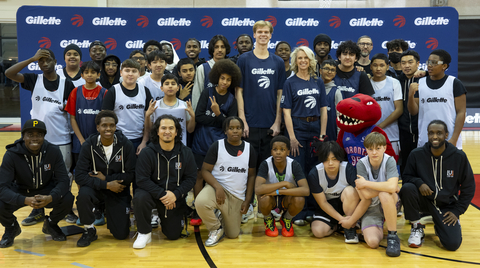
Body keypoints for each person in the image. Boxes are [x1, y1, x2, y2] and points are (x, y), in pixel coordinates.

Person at [5, 48, 75, 226]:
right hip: (36, 141)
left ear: (55, 62)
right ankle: (37, 210)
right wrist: (31, 58)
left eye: (47, 60)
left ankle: (63, 208)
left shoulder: (67, 84)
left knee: (63, 176)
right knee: (36, 175)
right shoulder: (33, 79)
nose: (44, 63)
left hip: (61, 138)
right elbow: (9, 73)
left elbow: (72, 113)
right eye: (41, 61)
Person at [400, 120, 475, 251]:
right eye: (431, 133)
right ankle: (416, 227)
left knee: (452, 245)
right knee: (407, 188)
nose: (435, 137)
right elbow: (406, 177)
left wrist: (457, 211)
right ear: (427, 135)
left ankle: (440, 225)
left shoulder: (458, 156)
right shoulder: (416, 154)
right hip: (424, 200)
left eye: (439, 133)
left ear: (446, 135)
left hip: (447, 205)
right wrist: (419, 183)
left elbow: (469, 186)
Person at [0, 119, 75, 248]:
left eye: (39, 135)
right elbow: (2, 187)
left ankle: (51, 224)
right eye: (30, 135)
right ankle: (11, 227)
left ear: (44, 137)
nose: (35, 138)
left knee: (68, 198)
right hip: (22, 190)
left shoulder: (53, 151)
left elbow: (63, 180)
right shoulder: (12, 154)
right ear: (23, 136)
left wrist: (51, 197)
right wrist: (24, 200)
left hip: (46, 189)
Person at [133, 115, 196, 249]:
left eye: (171, 128)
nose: (167, 131)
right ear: (157, 131)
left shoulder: (186, 153)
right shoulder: (147, 152)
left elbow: (191, 179)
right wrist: (163, 194)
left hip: (174, 198)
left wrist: (175, 194)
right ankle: (144, 232)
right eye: (163, 128)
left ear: (176, 132)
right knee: (140, 196)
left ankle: (166, 220)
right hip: (153, 194)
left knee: (173, 235)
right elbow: (142, 179)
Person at [74, 111, 135, 247]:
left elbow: (132, 174)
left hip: (118, 190)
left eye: (111, 125)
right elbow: (79, 176)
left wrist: (107, 178)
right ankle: (89, 229)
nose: (108, 129)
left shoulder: (126, 145)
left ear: (115, 127)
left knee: (121, 235)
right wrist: (106, 184)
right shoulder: (89, 145)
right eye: (104, 125)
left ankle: (111, 212)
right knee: (83, 195)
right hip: (98, 189)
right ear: (98, 127)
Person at [191, 59, 240, 225]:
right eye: (222, 78)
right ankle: (198, 211)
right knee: (198, 176)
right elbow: (198, 117)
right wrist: (219, 120)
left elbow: (230, 125)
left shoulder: (232, 99)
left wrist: (218, 114)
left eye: (228, 79)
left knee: (217, 177)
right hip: (201, 140)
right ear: (216, 78)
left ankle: (218, 210)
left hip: (219, 144)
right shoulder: (207, 92)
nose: (224, 82)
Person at [195, 116, 257, 247]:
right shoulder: (217, 146)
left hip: (237, 196)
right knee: (200, 202)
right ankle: (215, 228)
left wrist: (247, 200)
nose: (235, 131)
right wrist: (217, 187)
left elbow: (251, 176)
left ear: (242, 130)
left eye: (238, 128)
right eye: (231, 128)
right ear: (225, 131)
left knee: (233, 234)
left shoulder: (249, 149)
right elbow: (205, 170)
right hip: (217, 190)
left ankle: (220, 214)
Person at [236, 20, 286, 167]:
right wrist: (242, 120)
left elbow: (280, 94)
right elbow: (239, 91)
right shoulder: (244, 59)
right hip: (249, 124)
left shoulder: (278, 62)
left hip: (270, 124)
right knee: (248, 167)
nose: (263, 35)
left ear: (271, 35)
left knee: (267, 168)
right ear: (254, 35)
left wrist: (277, 122)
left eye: (266, 32)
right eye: (260, 32)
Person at [308, 141, 366, 243]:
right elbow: (323, 203)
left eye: (334, 159)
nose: (330, 163)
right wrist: (342, 219)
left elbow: (361, 195)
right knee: (318, 232)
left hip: (347, 205)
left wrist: (352, 219)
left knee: (350, 191)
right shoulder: (314, 173)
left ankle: (350, 228)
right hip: (328, 206)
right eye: (326, 160)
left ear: (339, 158)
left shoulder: (347, 168)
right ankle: (340, 225)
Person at [407, 49, 466, 149]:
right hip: (425, 140)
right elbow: (413, 111)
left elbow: (461, 112)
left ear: (444, 66)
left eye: (434, 63)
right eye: (428, 62)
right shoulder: (420, 83)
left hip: (449, 139)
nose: (429, 65)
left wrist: (454, 139)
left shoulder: (454, 83)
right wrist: (410, 95)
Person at [281, 46, 327, 174]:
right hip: (297, 128)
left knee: (315, 169)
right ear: (295, 61)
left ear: (311, 60)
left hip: (315, 127)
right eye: (299, 58)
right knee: (298, 168)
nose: (303, 60)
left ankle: (313, 195)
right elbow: (286, 112)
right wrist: (292, 137)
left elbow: (323, 109)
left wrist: (322, 135)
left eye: (306, 57)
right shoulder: (289, 83)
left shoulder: (318, 82)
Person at [356, 132, 401, 257]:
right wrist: (387, 187)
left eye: (378, 148)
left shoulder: (389, 161)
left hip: (390, 201)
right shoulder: (361, 164)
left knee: (385, 195)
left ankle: (392, 236)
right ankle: (377, 225)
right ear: (366, 149)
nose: (374, 152)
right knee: (373, 243)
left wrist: (366, 183)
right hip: (372, 209)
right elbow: (365, 195)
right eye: (370, 149)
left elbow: (391, 187)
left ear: (384, 148)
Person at [255, 136, 309, 237]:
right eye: (275, 149)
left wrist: (279, 191)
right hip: (270, 198)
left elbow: (306, 190)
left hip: (286, 198)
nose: (278, 152)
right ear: (271, 152)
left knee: (300, 199)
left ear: (288, 152)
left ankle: (286, 218)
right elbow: (258, 189)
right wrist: (284, 184)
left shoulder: (294, 165)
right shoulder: (265, 164)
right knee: (263, 198)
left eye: (282, 149)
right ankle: (268, 219)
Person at [101, 59, 153, 154]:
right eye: (127, 70)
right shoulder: (113, 91)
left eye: (134, 71)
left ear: (139, 74)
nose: (130, 74)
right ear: (121, 73)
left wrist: (144, 141)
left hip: (140, 140)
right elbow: (104, 119)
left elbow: (148, 118)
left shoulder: (145, 91)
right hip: (118, 139)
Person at [65, 61, 107, 167]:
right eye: (86, 72)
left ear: (98, 75)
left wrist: (100, 139)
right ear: (82, 75)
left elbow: (105, 120)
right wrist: (81, 140)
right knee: (80, 174)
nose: (89, 74)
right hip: (79, 142)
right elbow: (72, 118)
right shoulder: (75, 92)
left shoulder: (105, 93)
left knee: (98, 174)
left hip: (99, 141)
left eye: (93, 72)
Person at [145, 74, 195, 147]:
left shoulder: (184, 105)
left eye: (173, 83)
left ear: (178, 88)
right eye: (167, 84)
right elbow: (149, 130)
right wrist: (147, 116)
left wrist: (193, 116)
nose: (170, 86)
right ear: (161, 88)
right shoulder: (155, 105)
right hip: (158, 146)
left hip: (180, 146)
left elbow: (190, 130)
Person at [370, 53, 403, 156]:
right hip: (370, 135)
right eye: (375, 65)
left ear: (388, 67)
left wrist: (379, 127)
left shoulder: (394, 82)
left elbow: (399, 110)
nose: (378, 68)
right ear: (370, 67)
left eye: (382, 65)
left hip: (391, 135)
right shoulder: (366, 83)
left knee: (391, 168)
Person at [192, 35, 230, 111]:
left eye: (222, 47)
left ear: (226, 49)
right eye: (216, 47)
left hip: (226, 115)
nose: (219, 50)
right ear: (212, 49)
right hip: (206, 115)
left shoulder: (231, 68)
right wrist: (196, 116)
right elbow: (197, 94)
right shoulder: (202, 68)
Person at [398, 50, 420, 175]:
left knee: (421, 164)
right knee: (405, 165)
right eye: (403, 63)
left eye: (410, 62)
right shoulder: (396, 81)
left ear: (417, 64)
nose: (407, 65)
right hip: (403, 131)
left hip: (421, 131)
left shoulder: (426, 79)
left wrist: (426, 73)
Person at [319, 59, 343, 142]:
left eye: (332, 70)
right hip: (314, 130)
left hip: (331, 133)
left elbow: (340, 116)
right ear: (320, 70)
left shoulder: (336, 92)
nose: (329, 72)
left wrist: (339, 136)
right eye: (326, 69)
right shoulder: (314, 88)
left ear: (335, 74)